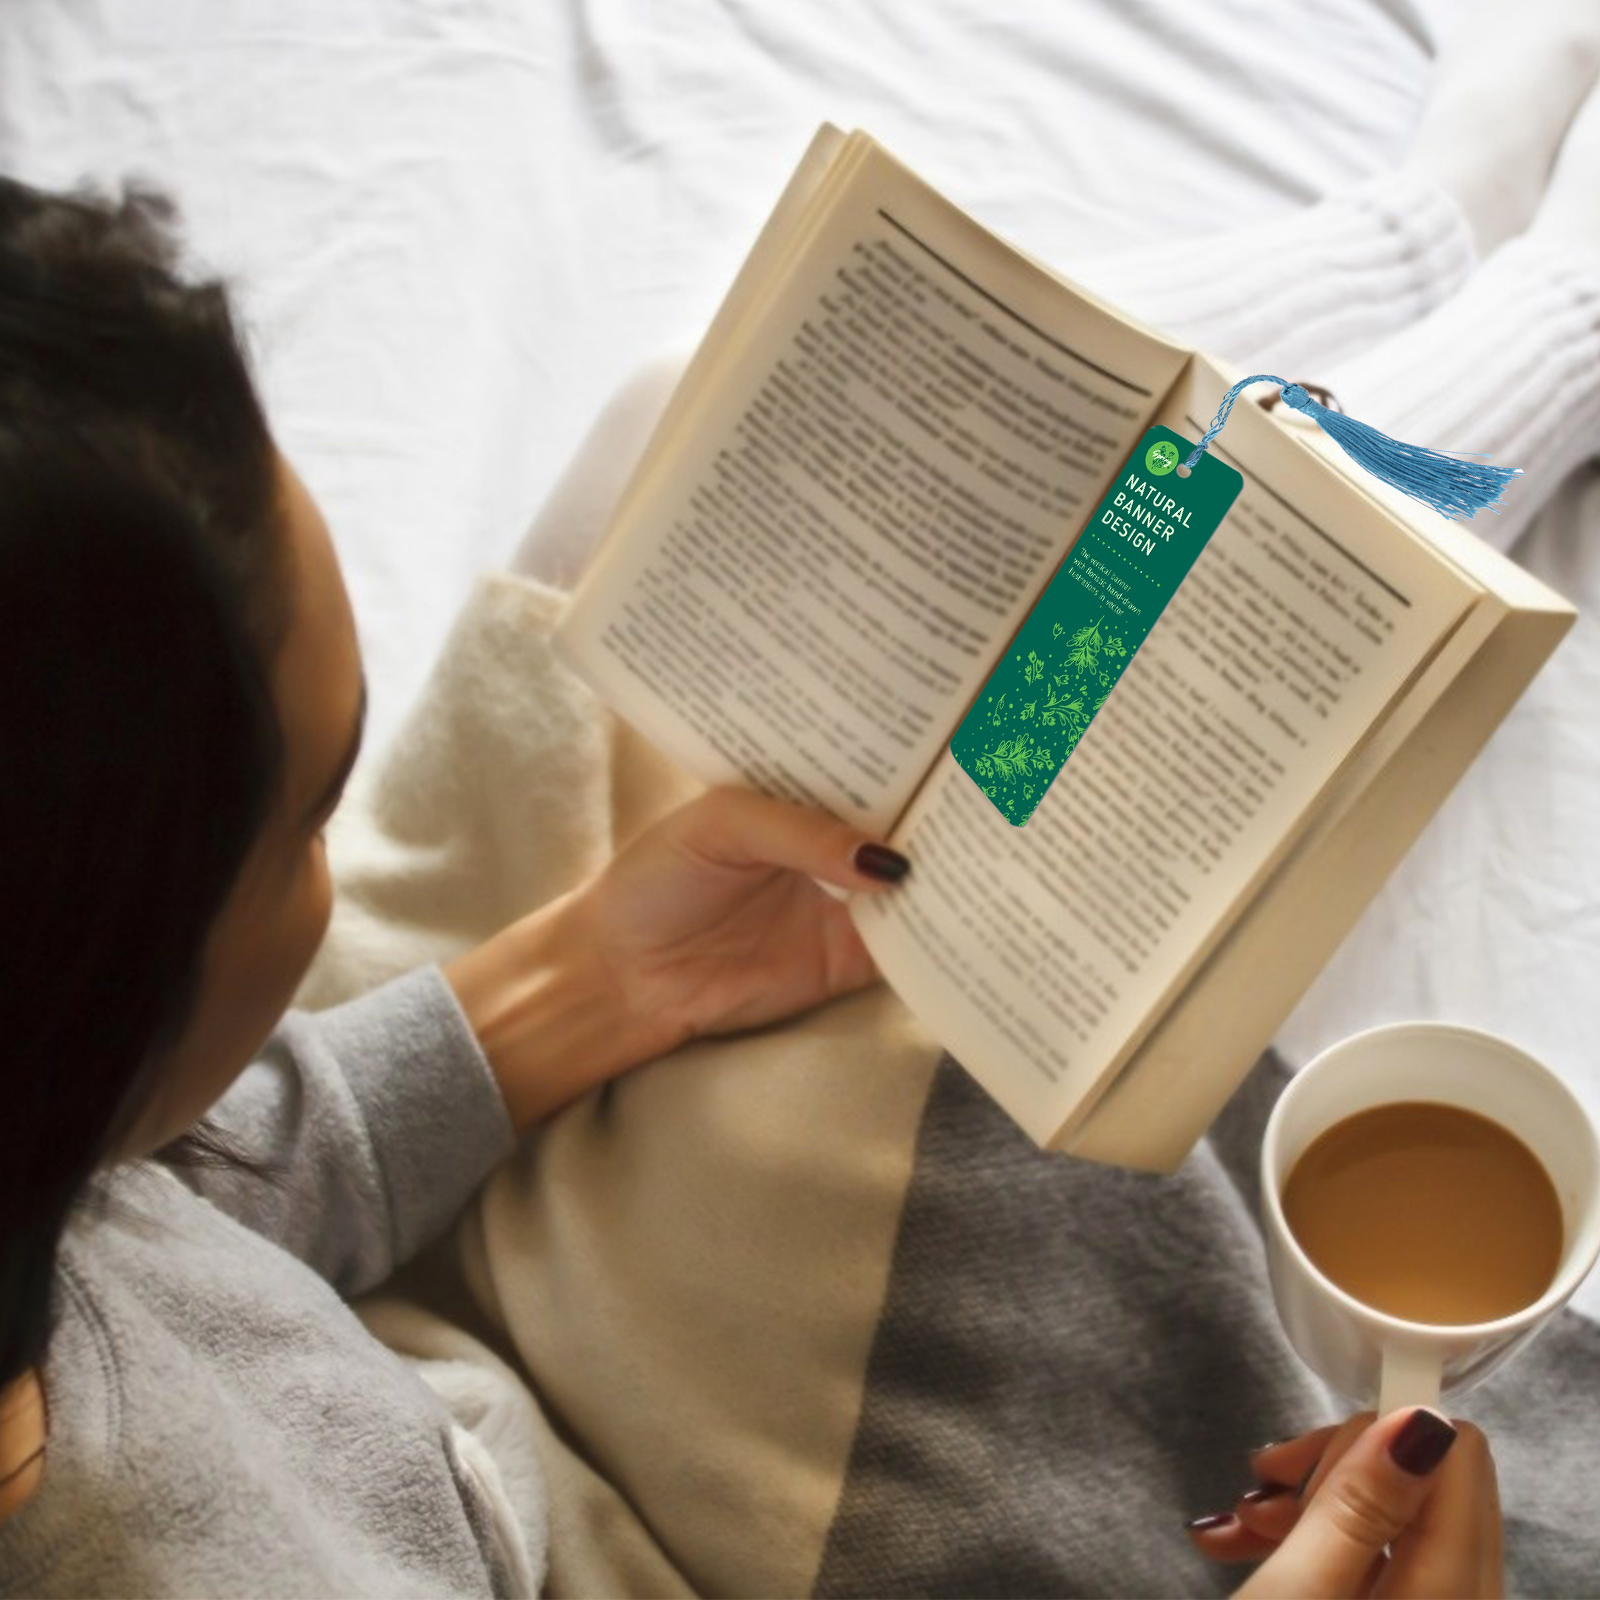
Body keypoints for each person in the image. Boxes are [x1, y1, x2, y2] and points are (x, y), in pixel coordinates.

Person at [3, 0, 1597, 1591]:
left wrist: (599, 976)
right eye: (309, 815)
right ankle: (1559, 321)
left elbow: (181, 1197)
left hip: (436, 1340)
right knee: (984, 1046)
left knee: (675, 437)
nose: (330, 845)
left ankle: (1417, 252)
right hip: (626, 1511)